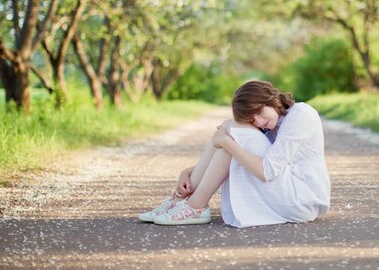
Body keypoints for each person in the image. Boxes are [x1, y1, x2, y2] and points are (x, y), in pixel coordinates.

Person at [137, 80, 331, 227]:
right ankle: (180, 198)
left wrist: (228, 142)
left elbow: (267, 171)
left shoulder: (301, 115)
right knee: (230, 130)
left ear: (270, 98)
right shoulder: (270, 125)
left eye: (259, 111)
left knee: (231, 133)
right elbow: (247, 156)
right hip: (287, 188)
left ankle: (195, 206)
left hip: (302, 197)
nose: (258, 121)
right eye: (252, 119)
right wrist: (190, 171)